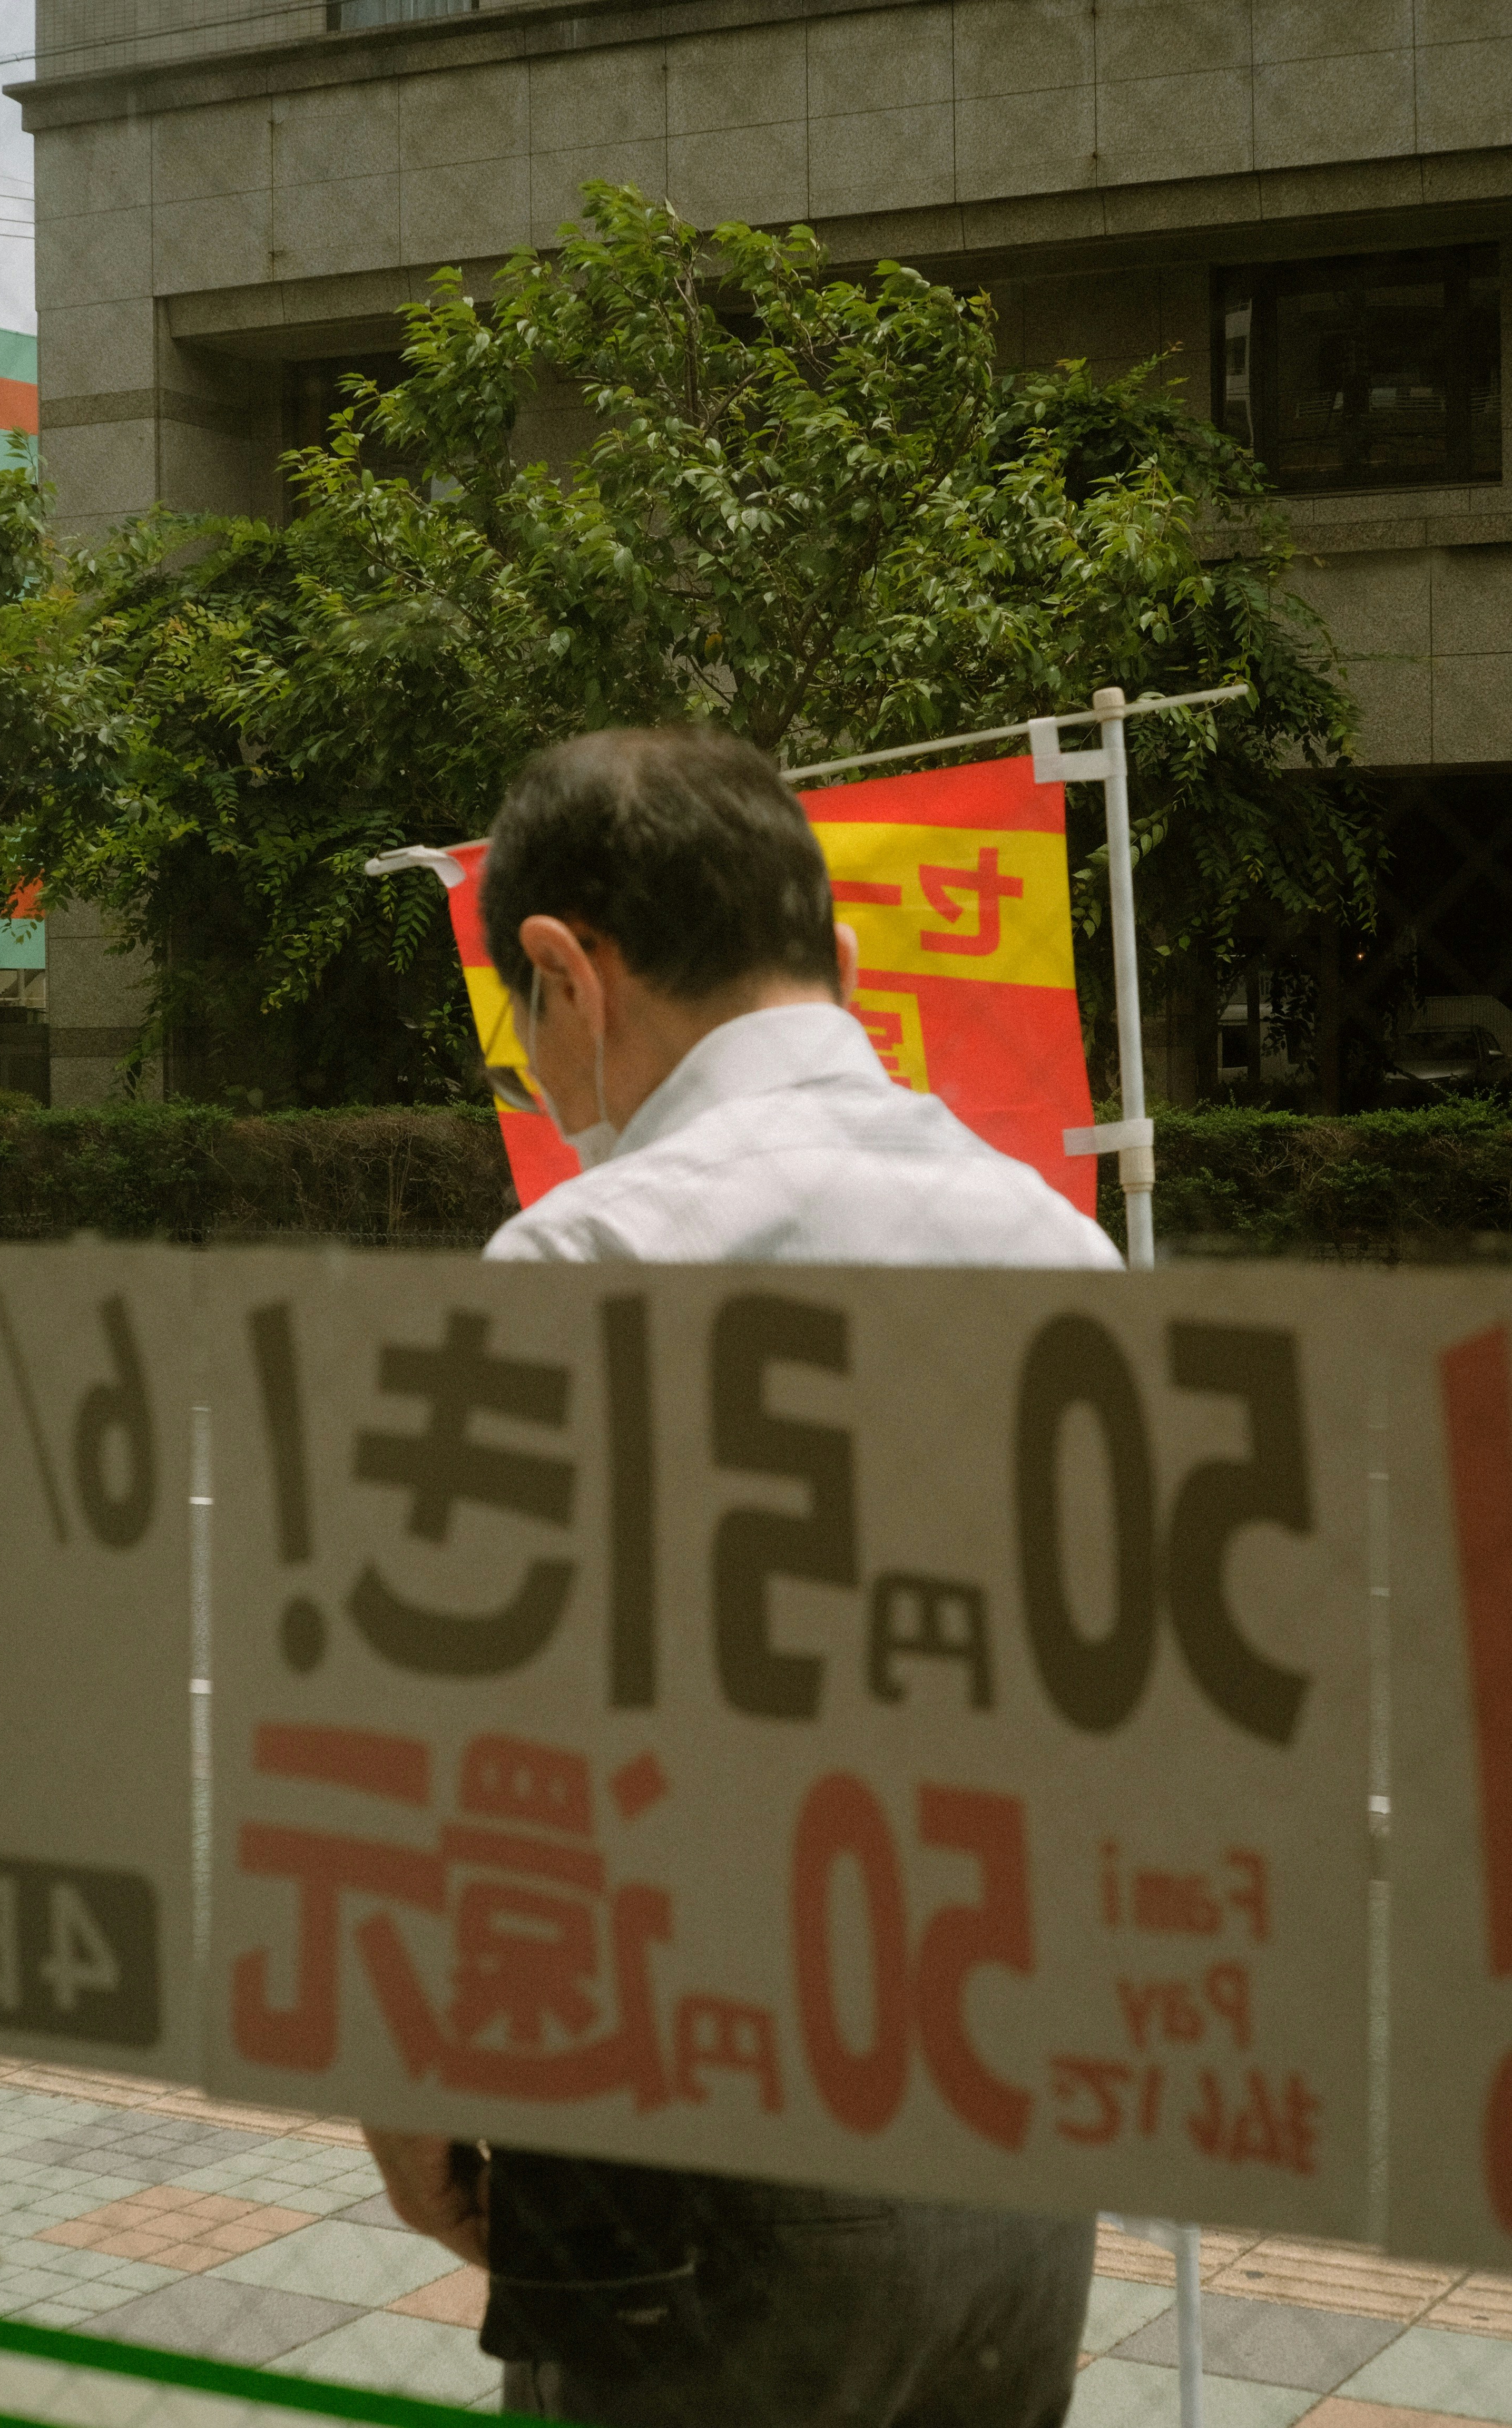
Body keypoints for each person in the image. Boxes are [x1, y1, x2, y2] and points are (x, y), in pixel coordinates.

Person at [367, 723, 1121, 2427]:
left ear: (566, 969)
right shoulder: (1061, 1248)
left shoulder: (587, 1253)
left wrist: (408, 2099)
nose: (545, 1082)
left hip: (706, 2189)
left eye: (525, 1028)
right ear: (837, 962)